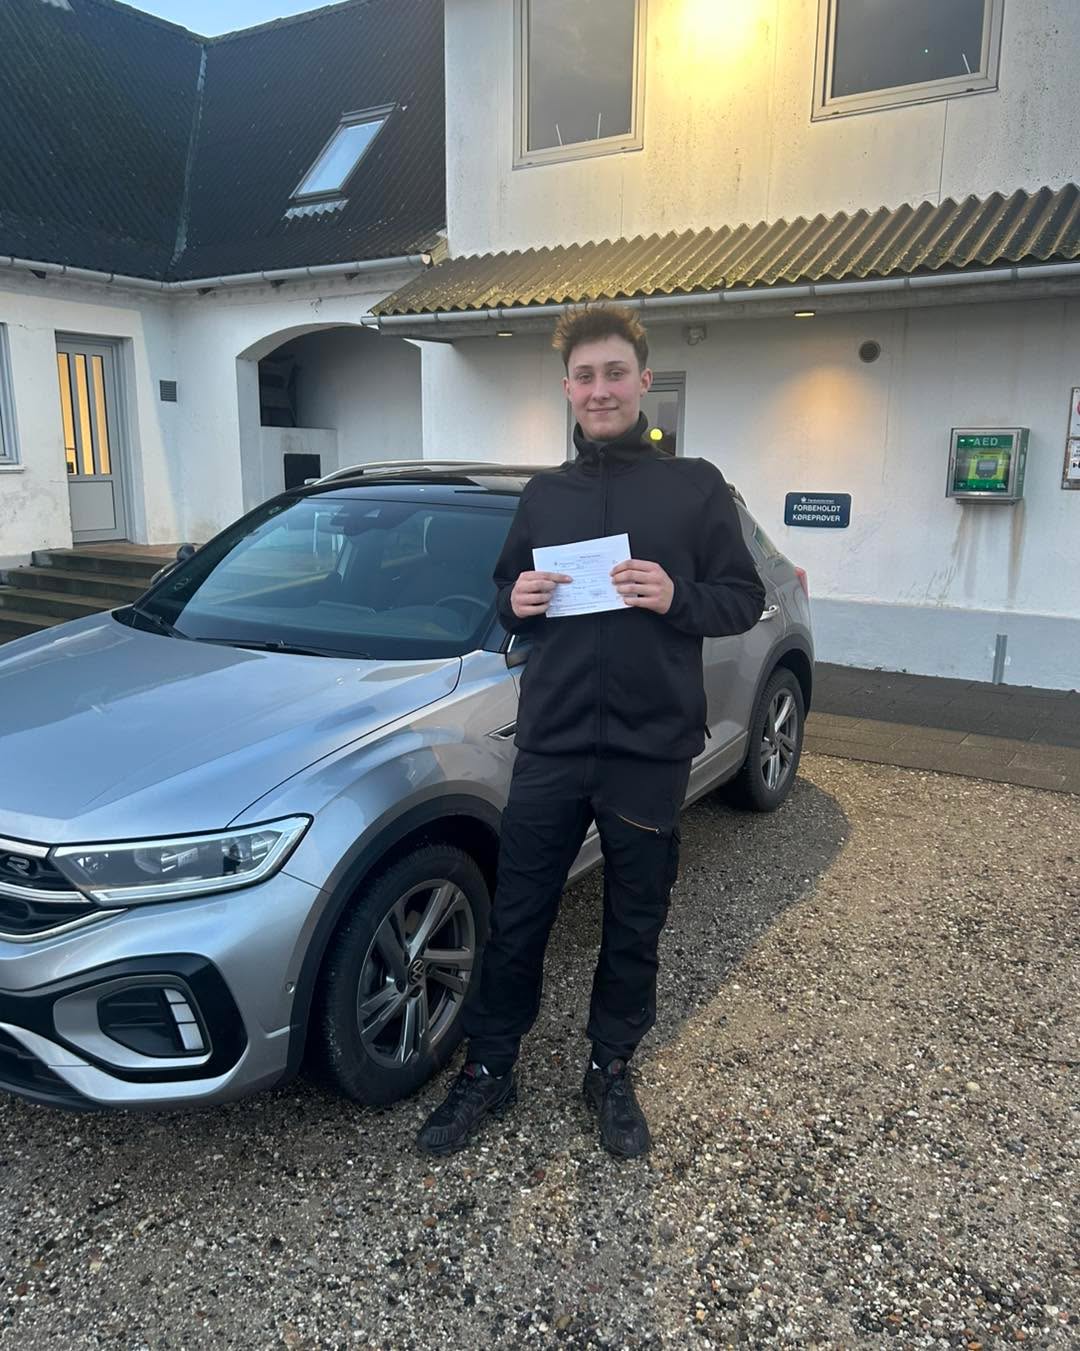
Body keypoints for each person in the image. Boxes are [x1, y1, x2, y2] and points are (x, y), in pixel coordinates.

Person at [417, 305, 766, 1159]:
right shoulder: (545, 496)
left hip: (649, 750)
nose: (600, 389)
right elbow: (509, 597)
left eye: (615, 373)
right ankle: (489, 1068)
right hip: (554, 742)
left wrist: (677, 595)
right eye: (585, 376)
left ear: (644, 381)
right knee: (519, 913)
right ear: (568, 388)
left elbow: (744, 597)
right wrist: (516, 601)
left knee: (634, 921)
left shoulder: (695, 487)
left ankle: (609, 1068)